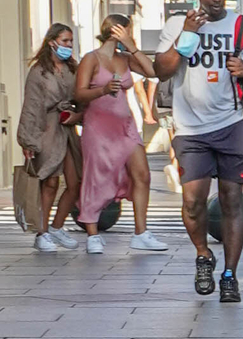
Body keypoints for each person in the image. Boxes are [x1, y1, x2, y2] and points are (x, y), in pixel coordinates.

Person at [150, 0, 243, 302]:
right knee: (192, 203)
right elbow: (161, 70)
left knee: (231, 200)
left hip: (233, 125)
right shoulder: (178, 24)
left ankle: (230, 275)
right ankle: (203, 255)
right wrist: (187, 35)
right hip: (190, 129)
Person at [74, 15, 165, 253]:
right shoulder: (91, 59)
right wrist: (102, 90)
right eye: (128, 31)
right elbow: (79, 94)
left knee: (142, 174)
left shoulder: (125, 58)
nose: (130, 35)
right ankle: (92, 233)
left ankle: (141, 232)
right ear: (116, 31)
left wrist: (132, 46)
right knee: (96, 177)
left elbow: (152, 70)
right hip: (98, 127)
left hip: (125, 127)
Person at [15, 24, 81, 250]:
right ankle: (41, 233)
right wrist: (28, 140)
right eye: (65, 41)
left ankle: (56, 226)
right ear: (52, 42)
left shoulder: (73, 69)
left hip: (67, 128)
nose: (69, 46)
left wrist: (77, 115)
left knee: (75, 182)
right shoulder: (39, 72)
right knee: (50, 181)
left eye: (71, 41)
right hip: (46, 129)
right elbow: (31, 106)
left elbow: (81, 97)